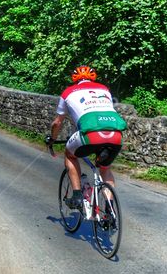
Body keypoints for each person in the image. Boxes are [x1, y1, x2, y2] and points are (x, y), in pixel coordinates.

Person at [46, 66, 127, 219]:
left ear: (74, 79)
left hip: (91, 134)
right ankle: (110, 212)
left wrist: (53, 139)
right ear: (93, 78)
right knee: (105, 169)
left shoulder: (68, 92)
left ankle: (77, 196)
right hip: (115, 135)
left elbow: (57, 123)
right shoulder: (104, 89)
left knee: (70, 155)